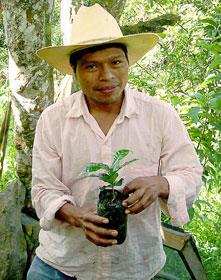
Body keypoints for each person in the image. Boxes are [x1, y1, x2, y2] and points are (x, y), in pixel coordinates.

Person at [29, 5, 204, 278]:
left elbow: (191, 174)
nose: (107, 75)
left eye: (115, 62)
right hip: (61, 266)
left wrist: (160, 184)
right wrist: (76, 215)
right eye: (91, 66)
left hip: (133, 266)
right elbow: (44, 189)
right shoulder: (54, 120)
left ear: (128, 63)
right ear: (75, 71)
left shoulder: (160, 115)